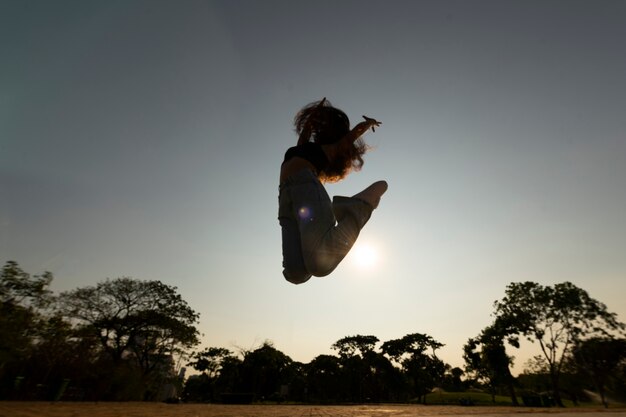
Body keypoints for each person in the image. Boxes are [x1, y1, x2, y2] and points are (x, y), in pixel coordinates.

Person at [278, 98, 388, 284]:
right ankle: (302, 267)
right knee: (295, 274)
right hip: (285, 197)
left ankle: (361, 205)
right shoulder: (301, 147)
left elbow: (353, 135)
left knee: (320, 265)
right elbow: (305, 132)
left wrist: (368, 124)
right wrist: (314, 116)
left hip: (306, 188)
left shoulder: (329, 150)